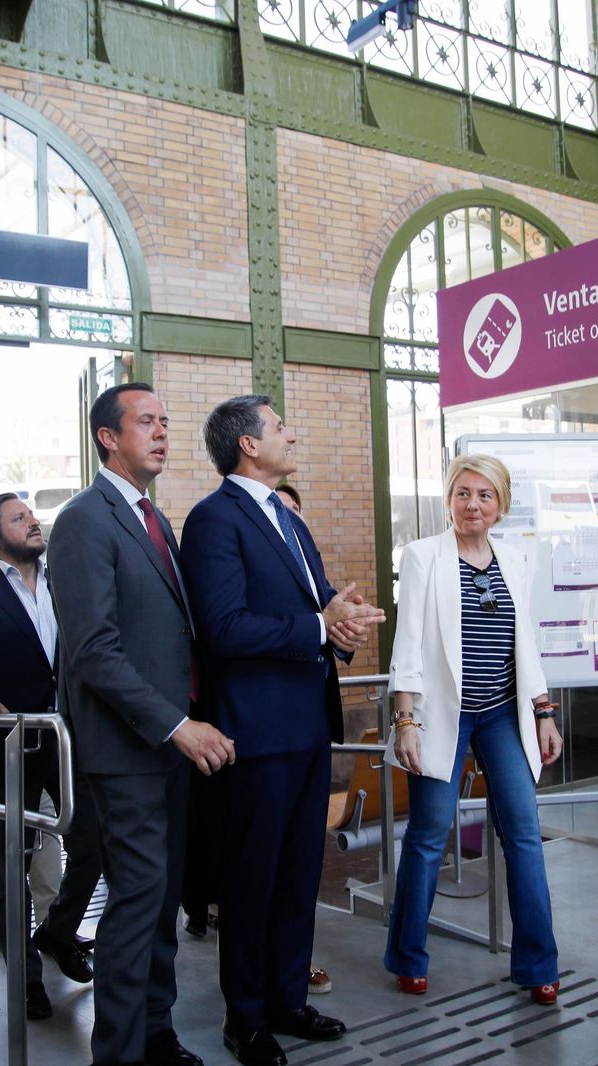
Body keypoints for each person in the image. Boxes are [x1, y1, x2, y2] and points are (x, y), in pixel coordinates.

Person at [179, 395, 384, 1066]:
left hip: (306, 723)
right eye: (279, 427)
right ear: (247, 444)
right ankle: (246, 1020)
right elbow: (225, 628)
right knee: (251, 880)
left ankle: (288, 1002)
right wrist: (317, 626)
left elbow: (317, 605)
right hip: (254, 731)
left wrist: (340, 618)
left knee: (301, 875)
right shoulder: (214, 520)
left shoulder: (289, 520)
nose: (291, 435)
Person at [50, 382, 236, 1066]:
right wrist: (175, 727)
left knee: (160, 902)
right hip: (126, 749)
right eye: (146, 422)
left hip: (171, 747)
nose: (162, 432)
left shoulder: (155, 521)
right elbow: (93, 651)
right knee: (136, 901)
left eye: (166, 421)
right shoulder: (85, 520)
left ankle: (156, 1031)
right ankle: (120, 1052)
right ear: (108, 436)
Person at [382, 454, 564, 1005]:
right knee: (430, 835)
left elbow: (524, 641)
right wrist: (407, 720)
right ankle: (408, 954)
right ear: (448, 499)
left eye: (485, 495)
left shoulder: (515, 558)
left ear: (501, 504)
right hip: (443, 716)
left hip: (504, 713)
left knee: (525, 834)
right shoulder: (423, 556)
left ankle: (537, 964)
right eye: (463, 493)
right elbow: (407, 643)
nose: (473, 504)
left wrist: (543, 710)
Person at [0, 494, 98, 1021]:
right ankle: (25, 978)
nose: (33, 522)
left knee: (93, 842)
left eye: (32, 515)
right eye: (19, 518)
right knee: (11, 867)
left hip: (69, 740)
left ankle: (57, 932)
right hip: (10, 745)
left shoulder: (65, 583)